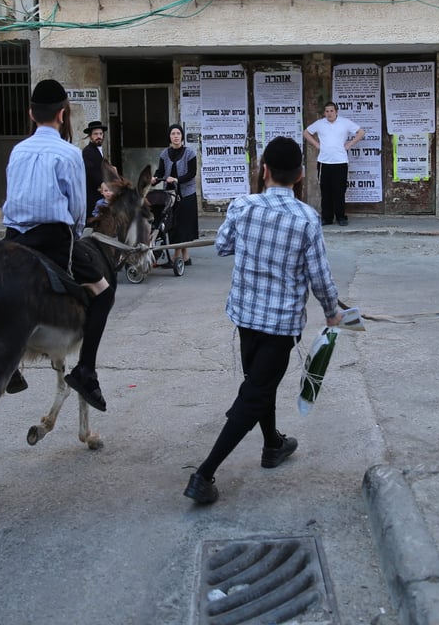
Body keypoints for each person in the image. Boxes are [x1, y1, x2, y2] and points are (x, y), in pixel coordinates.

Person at [184, 137, 343, 504]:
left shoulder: (243, 206)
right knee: (254, 394)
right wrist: (332, 311)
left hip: (246, 318)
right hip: (279, 324)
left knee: (258, 384)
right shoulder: (306, 219)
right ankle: (203, 475)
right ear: (301, 175)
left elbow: (223, 246)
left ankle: (273, 445)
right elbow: (319, 277)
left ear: (263, 170)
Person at [0, 79, 110, 412]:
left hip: (13, 237)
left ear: (31, 115)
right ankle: (86, 370)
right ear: (62, 115)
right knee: (104, 292)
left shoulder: (18, 150)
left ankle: (7, 359)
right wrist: (75, 233)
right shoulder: (69, 153)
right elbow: (77, 210)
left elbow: (12, 194)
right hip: (53, 238)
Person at [303, 101, 364, 226]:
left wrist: (349, 144)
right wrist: (316, 145)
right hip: (324, 162)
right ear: (324, 113)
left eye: (331, 111)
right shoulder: (320, 124)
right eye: (327, 111)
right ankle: (327, 218)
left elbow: (361, 132)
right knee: (325, 191)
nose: (329, 113)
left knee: (339, 190)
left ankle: (341, 217)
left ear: (336, 112)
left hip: (340, 162)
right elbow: (306, 133)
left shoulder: (345, 122)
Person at [151, 124, 198, 266]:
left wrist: (177, 179)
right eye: (173, 134)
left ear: (182, 136)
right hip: (170, 195)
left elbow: (192, 173)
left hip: (186, 194)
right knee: (173, 225)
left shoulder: (190, 153)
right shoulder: (165, 154)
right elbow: (160, 171)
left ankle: (176, 257)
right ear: (169, 137)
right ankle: (185, 256)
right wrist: (154, 178)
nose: (176, 136)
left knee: (183, 225)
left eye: (178, 133)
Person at [81, 120, 108, 217]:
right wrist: (102, 183)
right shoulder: (88, 151)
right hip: (93, 192)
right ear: (90, 136)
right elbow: (91, 171)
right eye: (95, 134)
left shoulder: (98, 150)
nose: (99, 136)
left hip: (100, 192)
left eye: (100, 134)